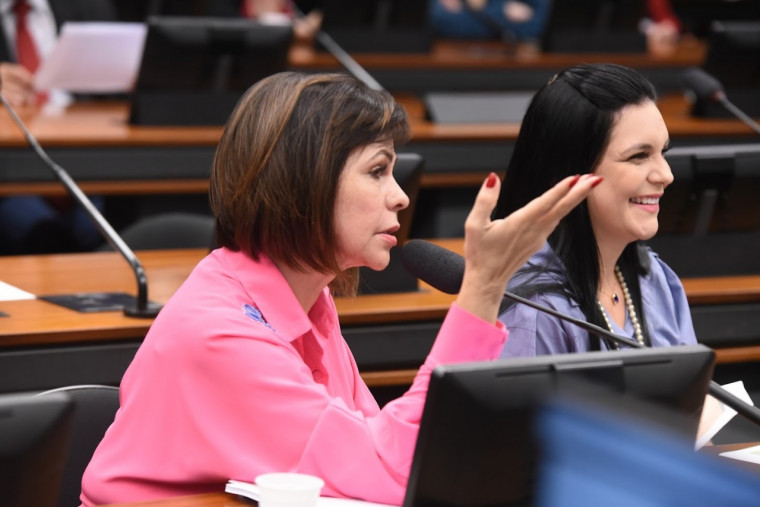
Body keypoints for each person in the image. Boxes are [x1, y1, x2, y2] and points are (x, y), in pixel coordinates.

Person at [80, 71, 601, 505]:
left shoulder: (309, 296)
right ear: (305, 180)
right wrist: (481, 291)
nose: (400, 197)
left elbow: (381, 458)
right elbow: (395, 474)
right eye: (377, 171)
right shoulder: (218, 335)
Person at [495, 63, 697, 358]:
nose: (665, 175)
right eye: (639, 156)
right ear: (567, 175)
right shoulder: (533, 311)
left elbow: (700, 396)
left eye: (662, 152)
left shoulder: (654, 278)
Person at [0, 0, 115, 254]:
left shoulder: (89, 8)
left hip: (86, 162)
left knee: (97, 227)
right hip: (10, 170)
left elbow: (120, 87)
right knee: (39, 229)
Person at [429, 0, 551, 42]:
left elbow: (541, 22)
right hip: (455, 68)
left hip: (515, 70)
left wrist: (477, 9)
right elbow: (440, 20)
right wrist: (502, 11)